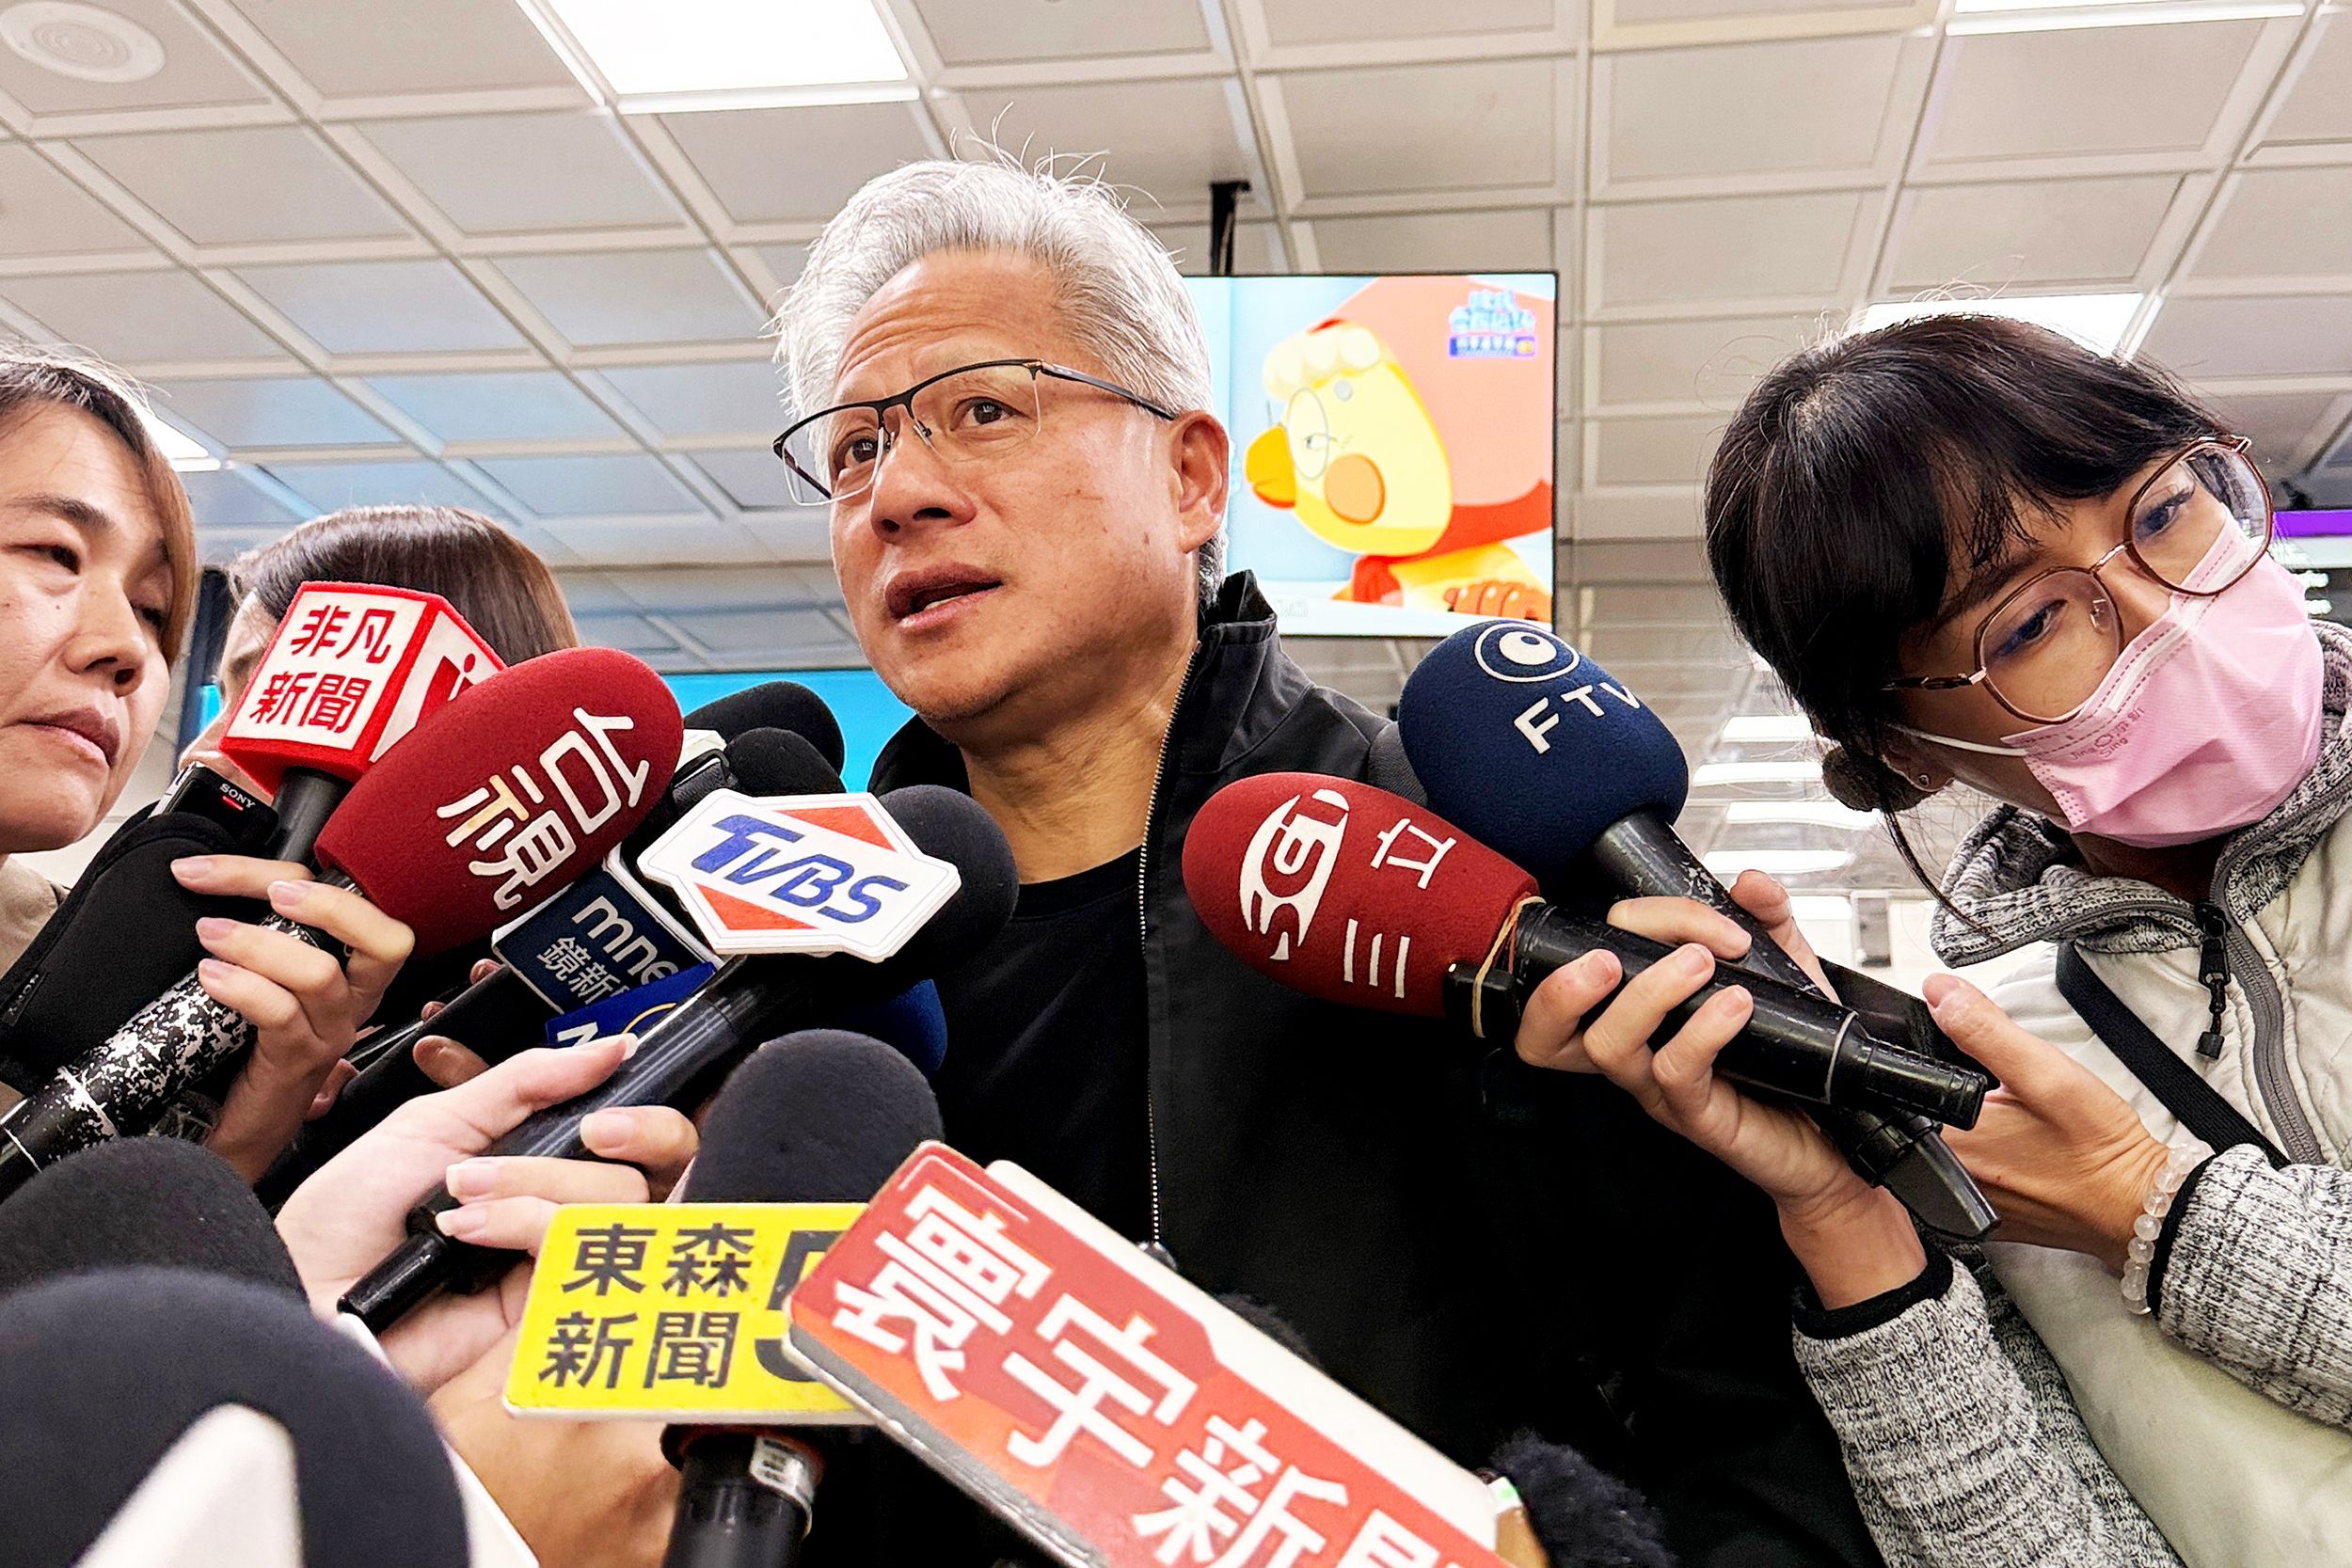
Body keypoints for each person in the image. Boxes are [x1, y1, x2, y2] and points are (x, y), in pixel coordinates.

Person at [769, 156, 1883, 1564]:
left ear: (1189, 476)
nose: (898, 493)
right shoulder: (802, 964)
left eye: (982, 409)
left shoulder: (1485, 858)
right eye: (853, 450)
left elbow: (1753, 1433)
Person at [1520, 314, 2352, 1567]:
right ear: (1905, 749)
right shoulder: (1991, 1070)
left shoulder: (2048, 1138)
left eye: (2168, 509)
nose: (2163, 613)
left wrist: (2144, 1206)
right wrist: (1844, 1202)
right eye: (2026, 627)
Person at [0, 351, 413, 1184]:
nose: (127, 646)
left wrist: (231, 1154)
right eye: (56, 553)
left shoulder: (122, 999)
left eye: (154, 609)